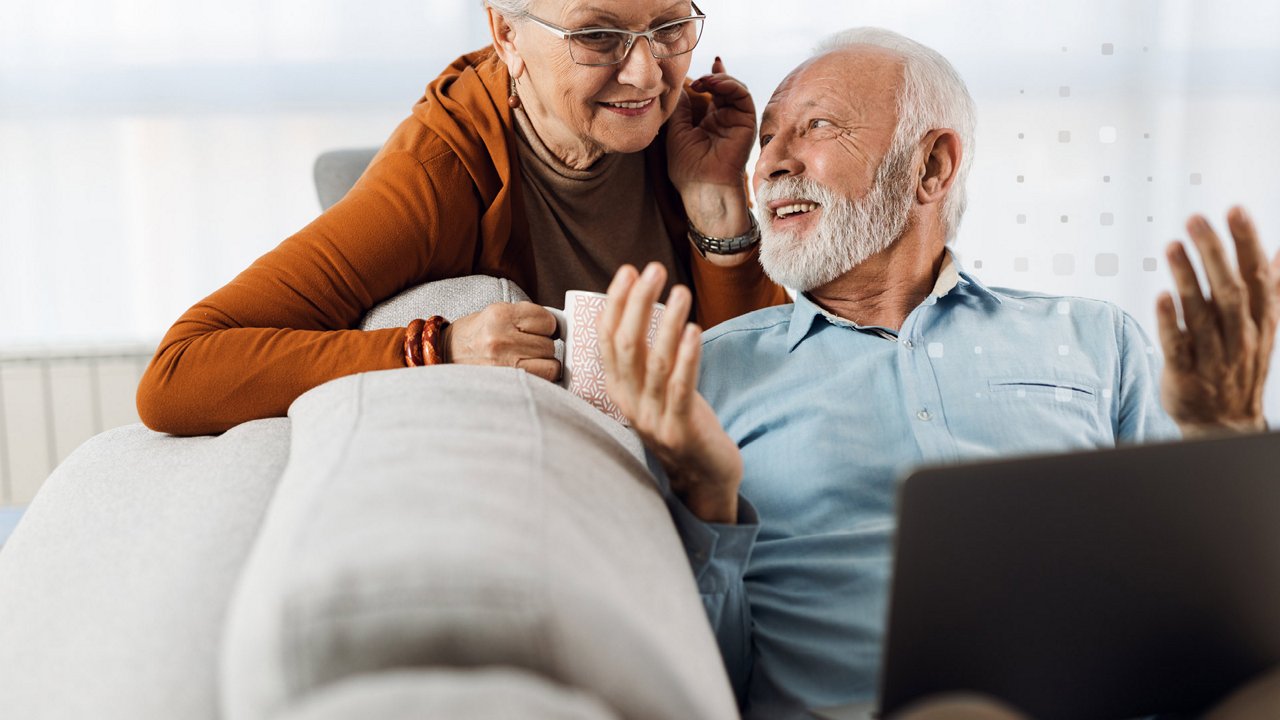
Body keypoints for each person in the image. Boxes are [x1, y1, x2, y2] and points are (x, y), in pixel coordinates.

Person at [597, 27, 1280, 718]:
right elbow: (700, 680)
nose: (769, 164)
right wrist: (708, 499)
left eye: (817, 127)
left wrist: (1229, 434)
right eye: (767, 139)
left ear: (931, 167)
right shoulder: (708, 377)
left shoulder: (1096, 341)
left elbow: (1224, 626)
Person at [136, 0, 787, 436]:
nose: (647, 73)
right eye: (597, 36)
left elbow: (762, 390)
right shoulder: (445, 170)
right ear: (506, 34)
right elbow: (179, 373)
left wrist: (719, 203)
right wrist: (438, 348)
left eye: (670, 26)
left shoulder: (681, 127)